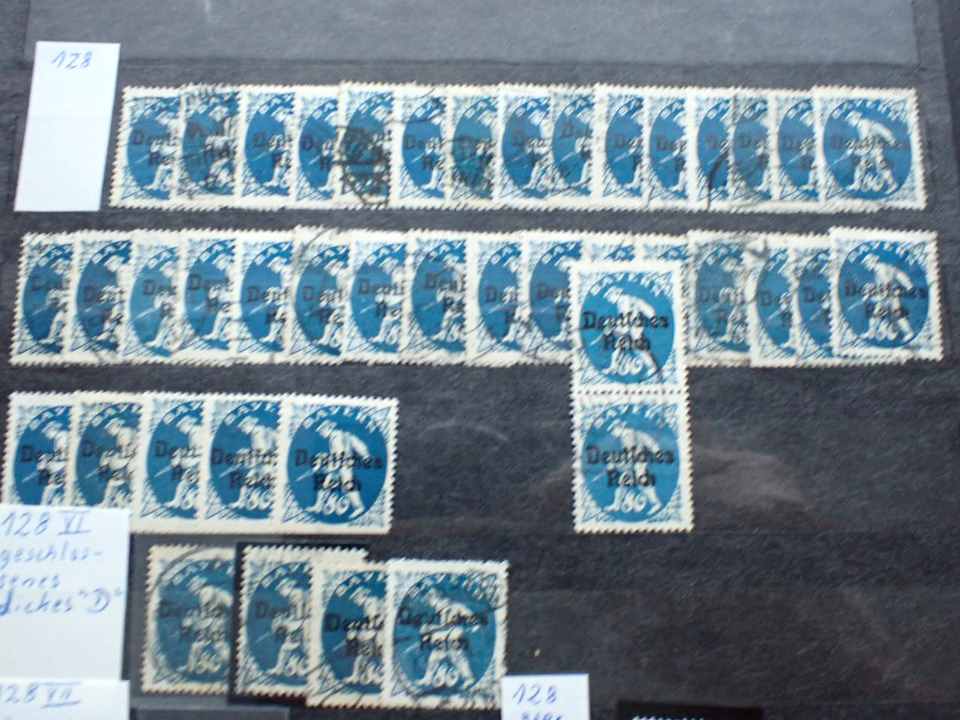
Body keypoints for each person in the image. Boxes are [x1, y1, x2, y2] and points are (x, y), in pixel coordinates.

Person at [308, 419, 369, 518]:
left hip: (344, 466)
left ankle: (359, 507)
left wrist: (328, 467)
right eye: (320, 432)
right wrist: (365, 454)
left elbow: (340, 455)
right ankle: (318, 506)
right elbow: (357, 443)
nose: (321, 434)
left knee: (348, 485)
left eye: (322, 431)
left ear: (329, 428)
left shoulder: (336, 438)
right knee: (325, 484)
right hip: (339, 466)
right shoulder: (341, 435)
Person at [415, 588, 475, 688]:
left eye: (430, 600)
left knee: (457, 657)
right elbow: (441, 627)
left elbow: (468, 616)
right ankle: (428, 678)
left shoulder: (454, 606)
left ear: (437, 598)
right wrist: (428, 629)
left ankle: (469, 678)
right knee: (434, 657)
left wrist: (471, 621)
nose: (430, 603)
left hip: (453, 636)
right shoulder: (437, 611)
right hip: (443, 639)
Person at [597, 286, 659, 378]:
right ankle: (613, 367)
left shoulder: (623, 301)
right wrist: (652, 316)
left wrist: (611, 325)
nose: (609, 300)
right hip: (632, 326)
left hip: (633, 328)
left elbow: (625, 321)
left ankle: (652, 367)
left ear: (616, 294)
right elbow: (643, 306)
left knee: (637, 347)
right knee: (619, 346)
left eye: (609, 297)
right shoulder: (626, 300)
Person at [604, 421, 662, 515]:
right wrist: (614, 463)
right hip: (631, 464)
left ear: (619, 428)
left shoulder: (635, 434)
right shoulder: (623, 438)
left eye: (613, 430)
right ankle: (616, 505)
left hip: (639, 462)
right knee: (623, 482)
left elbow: (649, 442)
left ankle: (656, 504)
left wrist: (657, 452)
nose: (612, 433)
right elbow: (627, 455)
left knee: (642, 481)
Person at [181, 576, 232, 674]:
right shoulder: (211, 591)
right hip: (214, 622)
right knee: (199, 645)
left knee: (219, 645)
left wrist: (192, 622)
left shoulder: (206, 592)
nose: (191, 589)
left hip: (214, 624)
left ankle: (231, 666)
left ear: (198, 585)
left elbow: (207, 615)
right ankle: (191, 667)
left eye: (192, 586)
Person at [860, 253, 915, 342]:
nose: (866, 266)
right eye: (865, 264)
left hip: (892, 293)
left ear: (872, 261)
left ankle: (909, 333)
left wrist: (875, 296)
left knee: (897, 314)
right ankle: (871, 332)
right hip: (889, 292)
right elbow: (882, 285)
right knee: (876, 312)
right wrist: (871, 293)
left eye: (866, 263)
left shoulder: (880, 269)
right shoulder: (878, 268)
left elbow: (888, 285)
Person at [842, 110, 898, 194]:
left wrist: (853, 150)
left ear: (855, 118)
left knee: (881, 167)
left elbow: (866, 142)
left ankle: (893, 184)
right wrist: (853, 148)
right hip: (870, 148)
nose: (849, 122)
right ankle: (856, 184)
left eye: (850, 120)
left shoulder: (864, 124)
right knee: (861, 167)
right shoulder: (861, 125)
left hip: (874, 150)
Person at [228, 415, 276, 510]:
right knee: (247, 481)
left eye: (243, 427)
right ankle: (241, 502)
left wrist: (248, 458)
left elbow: (263, 452)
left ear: (250, 424)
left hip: (267, 463)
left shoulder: (258, 433)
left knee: (271, 483)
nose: (243, 430)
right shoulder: (256, 432)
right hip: (262, 463)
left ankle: (272, 502)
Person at [342, 584, 384, 685]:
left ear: (363, 595)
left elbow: (375, 622)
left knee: (374, 655)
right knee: (362, 655)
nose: (356, 601)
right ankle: (356, 676)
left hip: (381, 634)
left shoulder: (371, 602)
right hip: (376, 633)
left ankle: (367, 676)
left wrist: (357, 634)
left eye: (357, 598)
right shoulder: (368, 604)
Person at [268, 578, 308, 676]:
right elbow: (295, 615)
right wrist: (285, 619)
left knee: (293, 647)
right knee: (287, 647)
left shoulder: (296, 594)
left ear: (289, 586)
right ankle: (279, 669)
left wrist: (283, 622)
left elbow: (300, 616)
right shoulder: (294, 595)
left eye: (281, 589)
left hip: (305, 625)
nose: (280, 592)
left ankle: (280, 669)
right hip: (303, 624)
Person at [165, 415, 202, 511]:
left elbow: (201, 453)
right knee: (183, 483)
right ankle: (177, 502)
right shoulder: (192, 433)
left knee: (187, 483)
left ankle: (188, 500)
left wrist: (182, 459)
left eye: (182, 426)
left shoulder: (197, 432)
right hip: (196, 466)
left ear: (188, 424)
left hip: (201, 467)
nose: (181, 429)